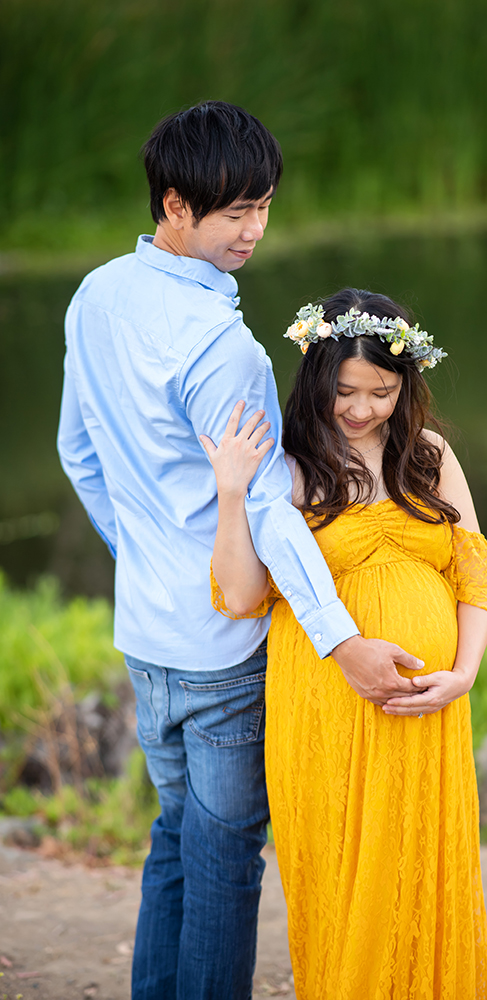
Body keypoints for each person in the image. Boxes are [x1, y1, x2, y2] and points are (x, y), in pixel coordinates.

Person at [57, 104, 425, 1000]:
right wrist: (343, 644)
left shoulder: (95, 294)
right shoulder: (223, 348)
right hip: (223, 650)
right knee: (223, 863)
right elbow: (268, 511)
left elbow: (78, 453)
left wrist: (143, 553)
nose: (254, 230)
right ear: (175, 206)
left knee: (175, 840)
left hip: (146, 634)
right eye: (234, 213)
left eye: (264, 207)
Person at [205, 288, 487, 1000]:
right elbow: (243, 596)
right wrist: (229, 493)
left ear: (406, 385)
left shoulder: (427, 453)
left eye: (381, 391)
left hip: (428, 704)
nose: (362, 408)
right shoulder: (287, 464)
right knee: (345, 871)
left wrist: (463, 673)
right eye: (344, 391)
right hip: (328, 701)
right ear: (314, 377)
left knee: (421, 865)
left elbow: (474, 570)